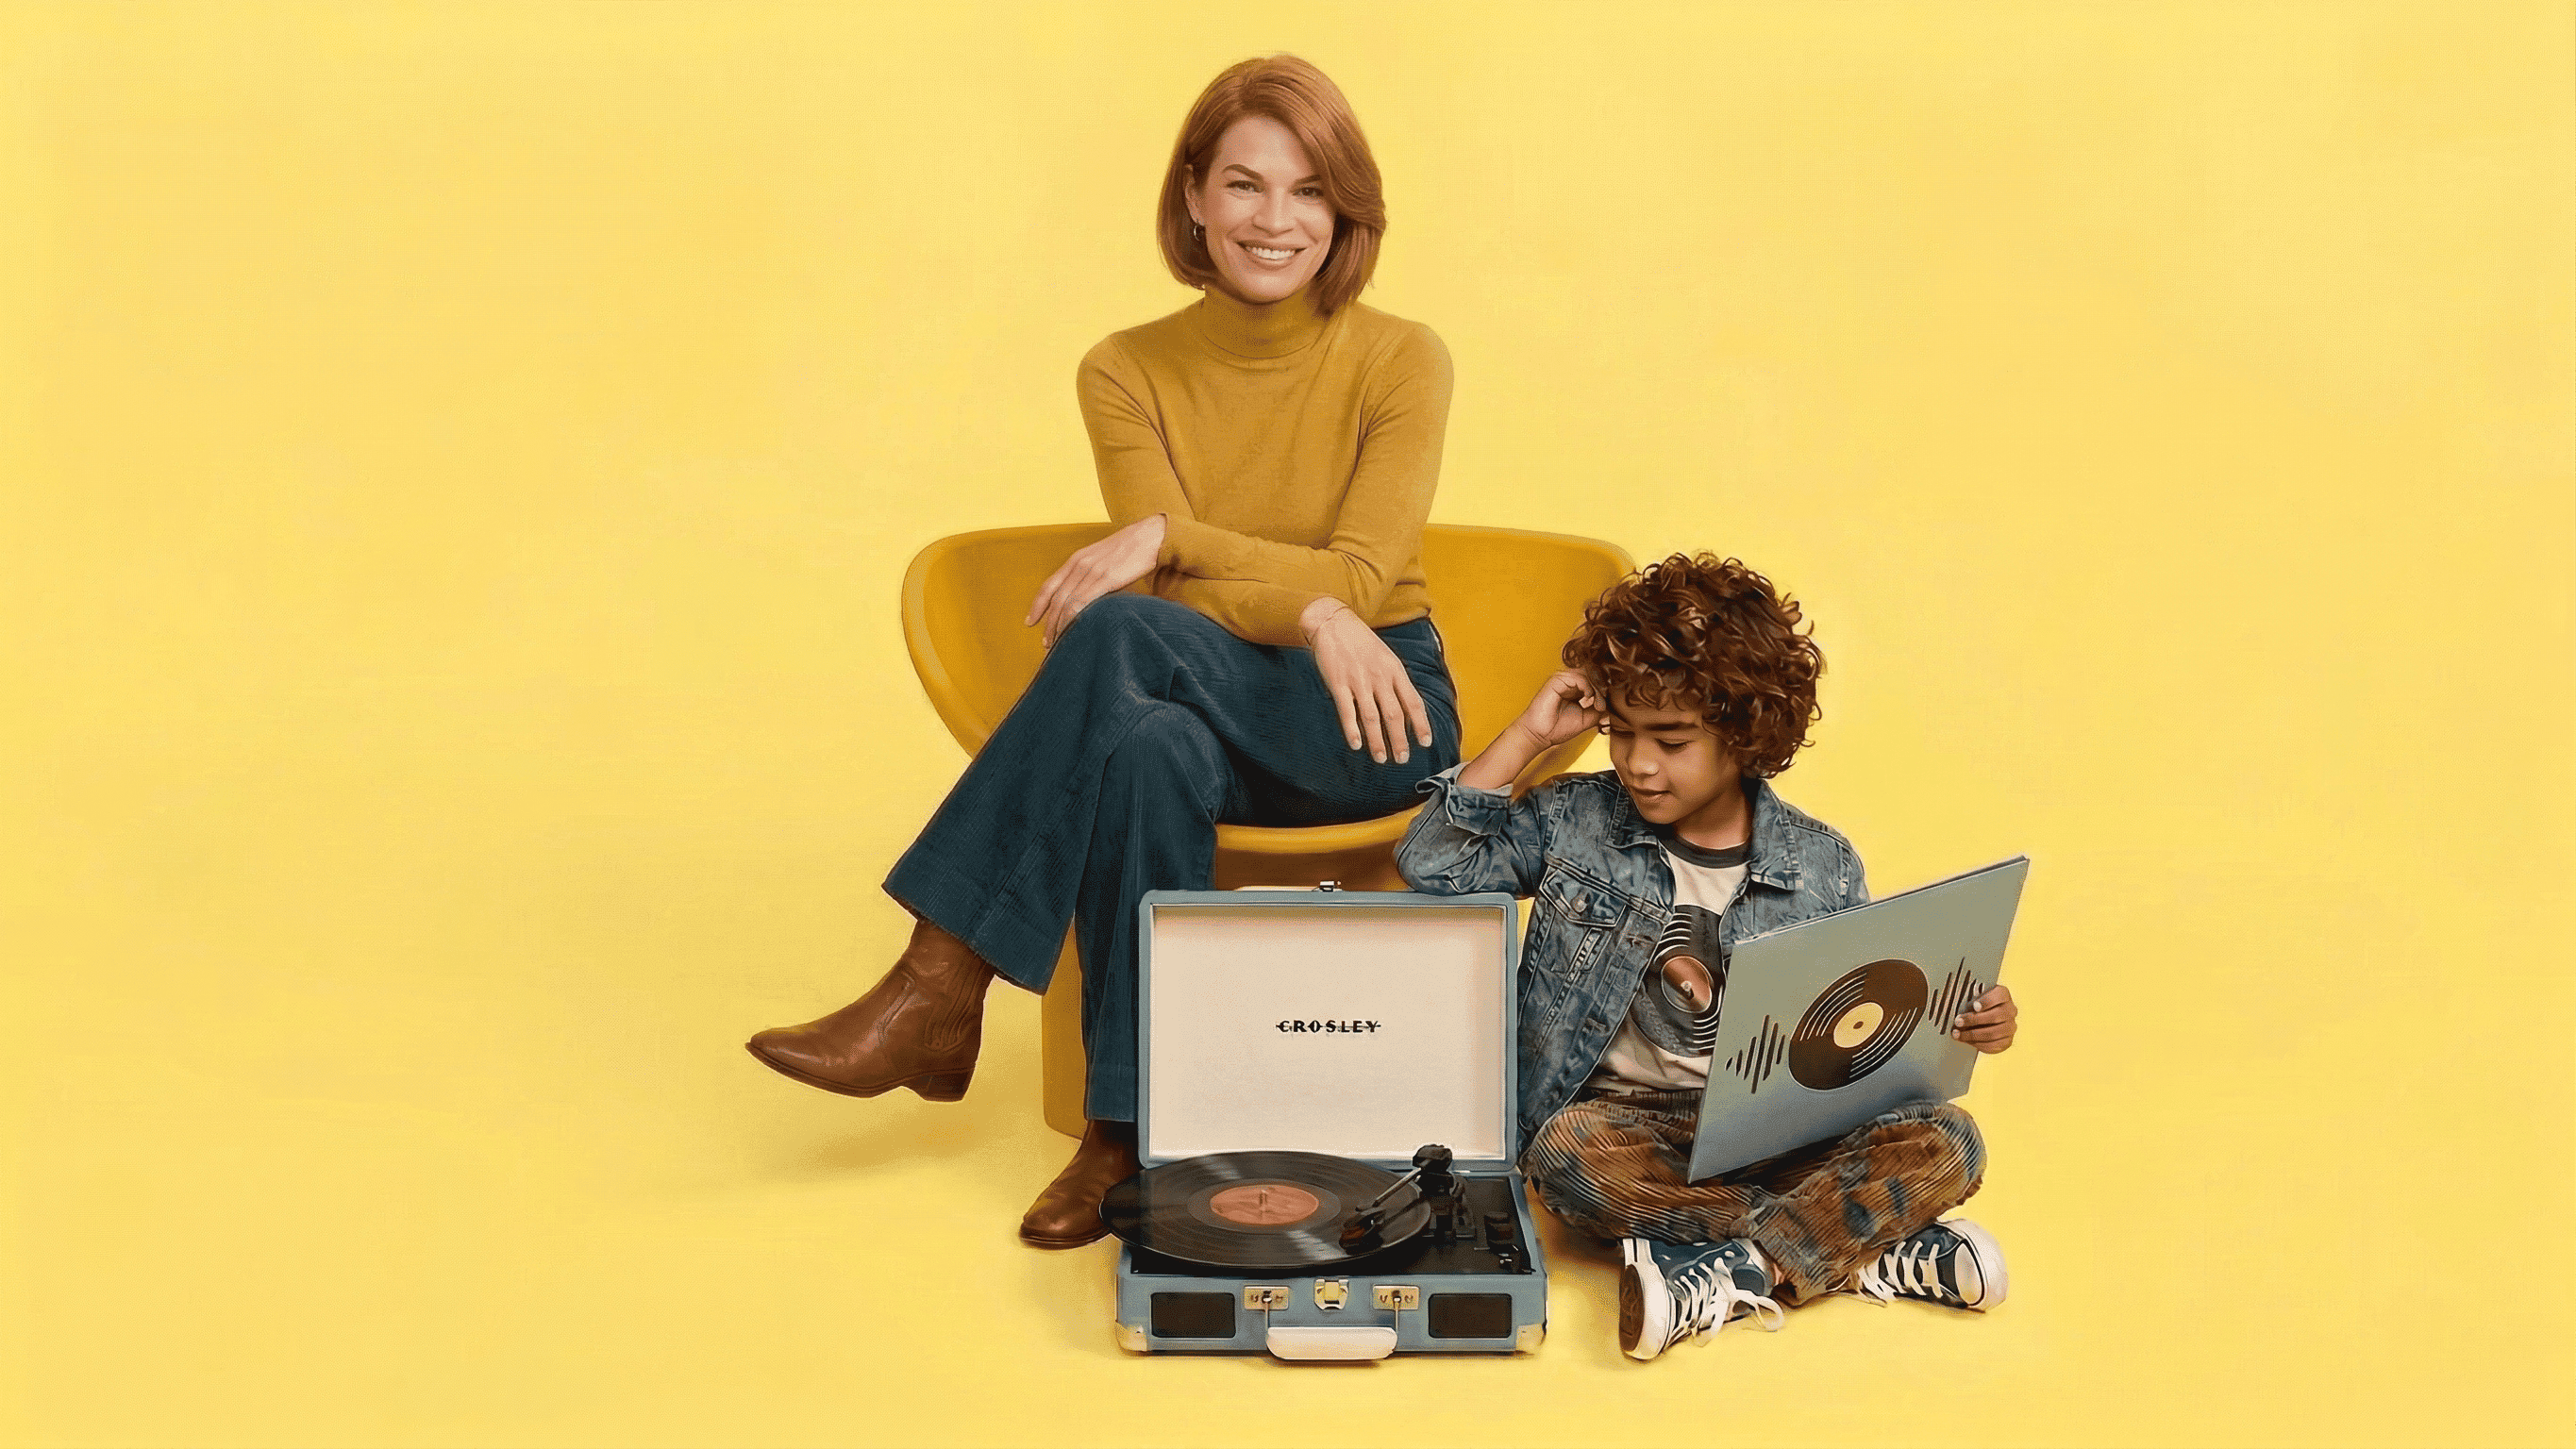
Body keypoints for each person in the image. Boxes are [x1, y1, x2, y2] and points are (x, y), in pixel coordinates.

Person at [744, 56, 1464, 1249]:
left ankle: (938, 988)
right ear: (1191, 196)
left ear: (1345, 213)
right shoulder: (1125, 369)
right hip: (1198, 684)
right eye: (1243, 184)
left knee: (1128, 630)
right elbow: (1191, 594)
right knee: (1151, 743)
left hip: (1373, 710)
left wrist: (1244, 566)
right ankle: (1122, 1134)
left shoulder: (1401, 357)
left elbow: (1322, 579)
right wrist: (1301, 598)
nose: (1273, 221)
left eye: (1307, 193)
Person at [1395, 554, 2022, 1360]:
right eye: (1622, 732)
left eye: (1672, 739)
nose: (1638, 762)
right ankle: (1860, 1244)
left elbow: (1860, 1040)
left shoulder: (1822, 865)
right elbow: (1433, 862)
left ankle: (1738, 1268)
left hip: (1774, 1134)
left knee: (1950, 1138)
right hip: (1623, 1129)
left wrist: (1969, 1023)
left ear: (1745, 734)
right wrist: (1528, 737)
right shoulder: (1576, 821)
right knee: (1560, 1160)